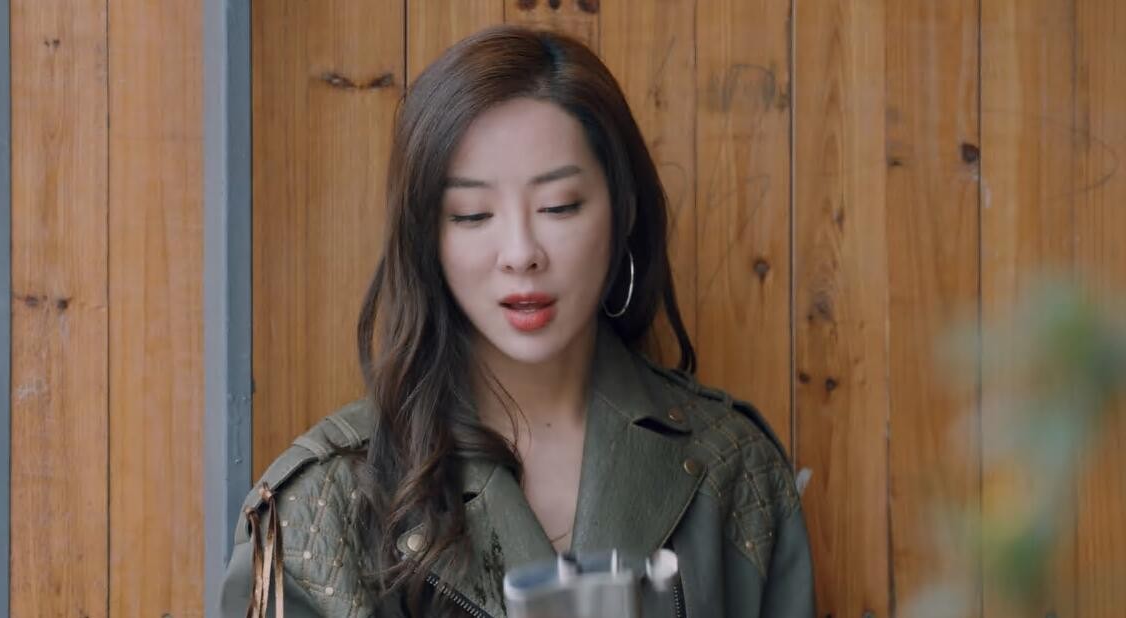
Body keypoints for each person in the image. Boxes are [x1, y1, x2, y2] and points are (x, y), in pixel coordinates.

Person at [222, 25, 814, 618]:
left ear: (623, 209)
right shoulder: (318, 508)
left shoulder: (734, 470)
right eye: (472, 214)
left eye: (559, 206)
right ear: (428, 237)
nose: (521, 253)